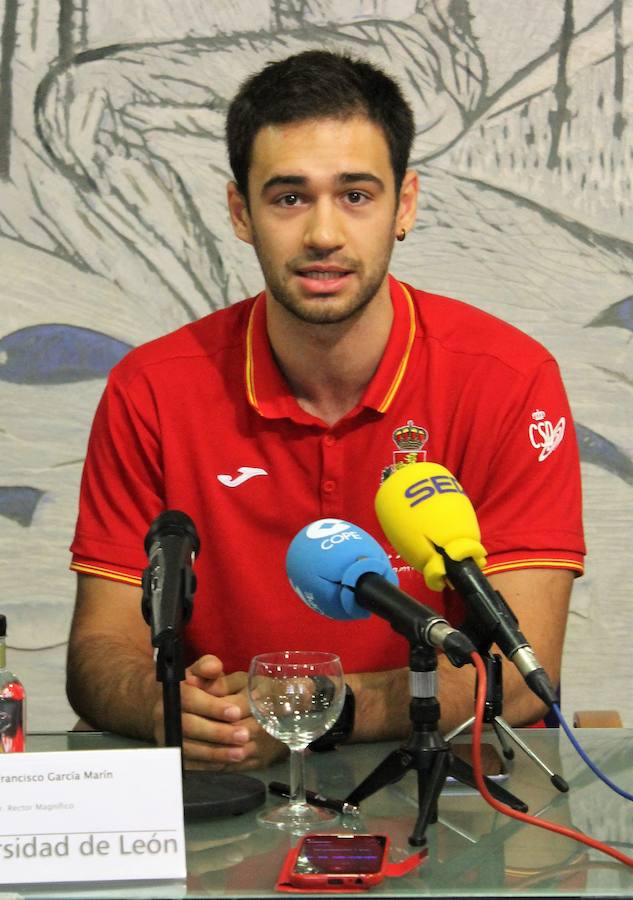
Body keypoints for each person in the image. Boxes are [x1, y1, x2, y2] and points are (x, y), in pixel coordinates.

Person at [67, 50, 585, 771]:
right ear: (240, 213)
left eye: (355, 196)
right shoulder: (149, 389)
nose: (322, 235)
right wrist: (159, 703)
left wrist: (314, 704)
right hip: (226, 795)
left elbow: (524, 676)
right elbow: (100, 649)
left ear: (402, 206)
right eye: (287, 198)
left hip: (443, 791)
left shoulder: (508, 380)